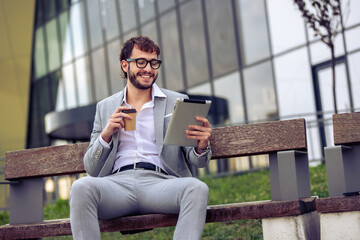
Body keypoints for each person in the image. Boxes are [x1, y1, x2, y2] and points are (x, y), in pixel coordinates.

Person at [69, 36, 212, 240]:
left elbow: (198, 161)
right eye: (141, 62)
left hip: (161, 184)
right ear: (125, 65)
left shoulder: (176, 101)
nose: (148, 68)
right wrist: (106, 134)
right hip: (118, 185)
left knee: (197, 188)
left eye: (154, 63)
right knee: (81, 186)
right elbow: (91, 167)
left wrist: (201, 146)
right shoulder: (106, 107)